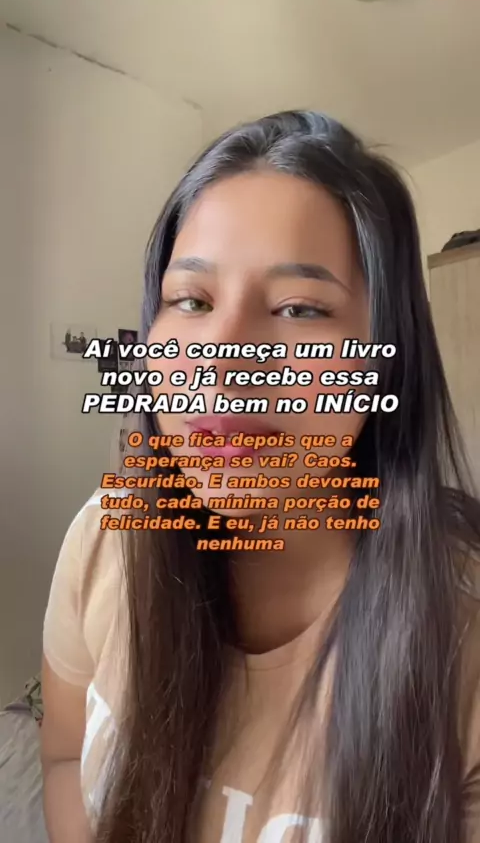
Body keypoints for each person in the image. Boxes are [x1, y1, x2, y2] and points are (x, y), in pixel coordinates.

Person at [40, 111, 480, 843]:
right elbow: (61, 754)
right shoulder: (105, 537)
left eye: (299, 309)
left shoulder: (462, 643)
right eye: (192, 301)